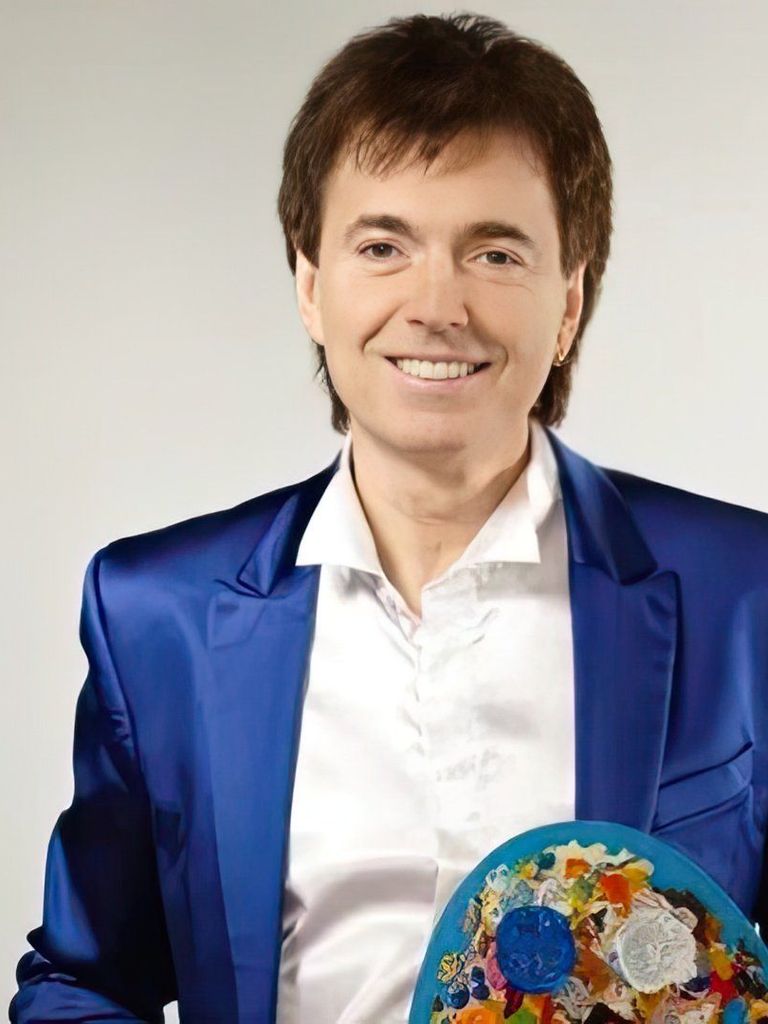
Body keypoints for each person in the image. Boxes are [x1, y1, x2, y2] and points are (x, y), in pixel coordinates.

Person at [9, 11, 768, 1024]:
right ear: (310, 285)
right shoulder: (159, 616)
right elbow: (84, 981)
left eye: (494, 253)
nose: (436, 304)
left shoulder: (745, 594)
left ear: (570, 302)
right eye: (383, 246)